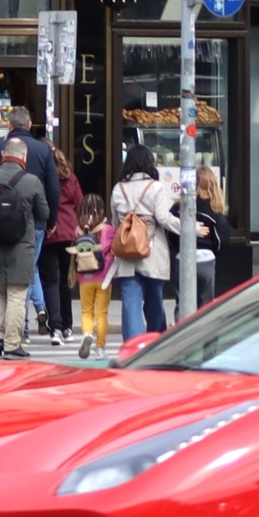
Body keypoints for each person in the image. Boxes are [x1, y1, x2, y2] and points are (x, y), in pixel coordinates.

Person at [0, 136, 51, 358]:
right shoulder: (31, 181)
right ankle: (12, 344)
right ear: (24, 156)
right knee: (17, 295)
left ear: (3, 156)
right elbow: (44, 214)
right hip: (21, 246)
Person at [106, 145, 182, 341]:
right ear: (149, 162)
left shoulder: (118, 188)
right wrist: (190, 229)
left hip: (126, 249)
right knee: (154, 300)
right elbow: (163, 219)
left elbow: (115, 221)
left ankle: (133, 349)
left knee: (130, 302)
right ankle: (157, 342)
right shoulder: (156, 187)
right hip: (152, 247)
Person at [0, 108, 57, 327]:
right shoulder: (43, 150)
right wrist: (51, 220)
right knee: (26, 271)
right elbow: (53, 188)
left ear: (10, 126)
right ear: (29, 125)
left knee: (4, 281)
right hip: (34, 221)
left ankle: (18, 325)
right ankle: (24, 325)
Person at [42, 146, 84, 344]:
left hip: (48, 233)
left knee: (50, 281)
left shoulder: (42, 178)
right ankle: (68, 326)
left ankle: (55, 327)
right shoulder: (71, 178)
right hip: (68, 233)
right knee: (66, 281)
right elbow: (80, 203)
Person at [72, 194, 113, 358]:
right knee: (101, 313)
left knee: (86, 311)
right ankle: (100, 348)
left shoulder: (77, 231)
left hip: (84, 278)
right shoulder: (107, 230)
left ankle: (87, 333)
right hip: (103, 278)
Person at [193, 165, 232, 309]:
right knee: (205, 302)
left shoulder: (179, 207)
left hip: (182, 257)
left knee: (183, 302)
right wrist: (214, 250)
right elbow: (222, 237)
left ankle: (182, 329)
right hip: (206, 258)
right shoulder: (215, 211)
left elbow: (171, 233)